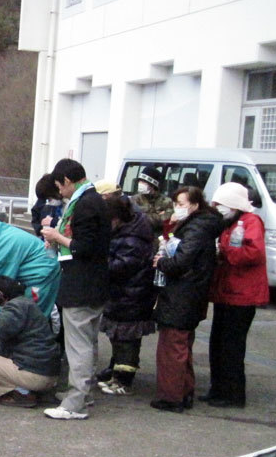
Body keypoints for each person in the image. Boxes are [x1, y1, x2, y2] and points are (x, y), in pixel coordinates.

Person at [40, 158, 111, 420]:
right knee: (88, 342)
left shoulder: (85, 204)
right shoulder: (94, 199)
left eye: (60, 186)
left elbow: (84, 247)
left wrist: (57, 237)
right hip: (94, 284)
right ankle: (84, 394)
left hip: (81, 284)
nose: (60, 192)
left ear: (68, 181)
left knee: (78, 346)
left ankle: (75, 403)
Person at [151, 186, 223, 413]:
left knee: (172, 348)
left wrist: (161, 262)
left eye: (181, 204)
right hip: (189, 294)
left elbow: (181, 261)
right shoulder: (200, 225)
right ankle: (183, 391)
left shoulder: (196, 229)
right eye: (175, 204)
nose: (177, 208)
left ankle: (171, 396)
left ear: (195, 204)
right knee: (182, 346)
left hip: (182, 294)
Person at [202, 182, 269, 408]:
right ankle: (217, 389)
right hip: (227, 292)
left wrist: (225, 251)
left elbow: (253, 254)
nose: (217, 208)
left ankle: (233, 394)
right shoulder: (229, 223)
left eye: (221, 204)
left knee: (231, 346)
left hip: (242, 295)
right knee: (218, 344)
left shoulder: (251, 222)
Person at [0, 276, 61, 408]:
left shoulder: (15, 306)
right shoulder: (26, 304)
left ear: (0, 294)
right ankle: (32, 390)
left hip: (35, 375)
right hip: (47, 374)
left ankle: (19, 394)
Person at [96, 194, 157, 395]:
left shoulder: (133, 238)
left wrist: (100, 262)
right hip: (123, 295)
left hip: (132, 296)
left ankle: (123, 380)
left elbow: (122, 267)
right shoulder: (127, 231)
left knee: (127, 341)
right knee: (118, 338)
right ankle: (115, 373)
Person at [131, 166, 173, 236]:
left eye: (144, 182)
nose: (140, 184)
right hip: (139, 236)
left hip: (159, 237)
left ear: (152, 185)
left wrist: (144, 215)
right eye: (140, 181)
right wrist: (157, 215)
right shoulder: (135, 199)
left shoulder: (166, 201)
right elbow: (134, 220)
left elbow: (168, 219)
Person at [30, 173, 63, 239]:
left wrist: (54, 222)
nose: (50, 202)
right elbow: (35, 215)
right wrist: (40, 230)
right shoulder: (43, 200)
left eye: (50, 199)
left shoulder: (67, 203)